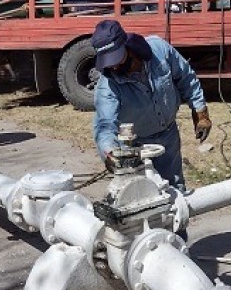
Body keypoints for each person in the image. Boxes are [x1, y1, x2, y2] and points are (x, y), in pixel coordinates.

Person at [91, 19, 212, 191]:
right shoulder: (107, 85)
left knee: (175, 190)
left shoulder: (160, 50)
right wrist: (109, 152)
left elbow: (186, 78)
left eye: (116, 58)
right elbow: (105, 124)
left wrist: (201, 113)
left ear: (126, 45)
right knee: (141, 196)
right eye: (108, 62)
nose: (114, 66)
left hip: (168, 135)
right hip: (134, 146)